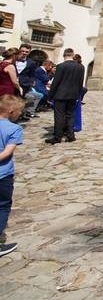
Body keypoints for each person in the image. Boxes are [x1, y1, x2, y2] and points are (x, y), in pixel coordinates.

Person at [0, 94, 24, 257]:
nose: (20, 114)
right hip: (3, 175)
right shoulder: (14, 129)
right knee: (2, 205)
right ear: (11, 111)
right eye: (19, 112)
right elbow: (7, 153)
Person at [46, 48, 85, 144]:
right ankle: (71, 136)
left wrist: (50, 95)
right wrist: (78, 94)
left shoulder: (61, 66)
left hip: (60, 94)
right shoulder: (80, 67)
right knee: (70, 115)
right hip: (73, 95)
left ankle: (57, 137)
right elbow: (80, 82)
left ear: (64, 55)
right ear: (73, 55)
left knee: (59, 116)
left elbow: (56, 82)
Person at [15, 44, 41, 121]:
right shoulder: (13, 59)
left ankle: (19, 116)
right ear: (19, 50)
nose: (24, 53)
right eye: (22, 51)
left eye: (26, 52)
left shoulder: (31, 62)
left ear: (29, 53)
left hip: (24, 85)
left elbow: (32, 74)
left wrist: (30, 83)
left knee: (21, 101)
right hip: (11, 83)